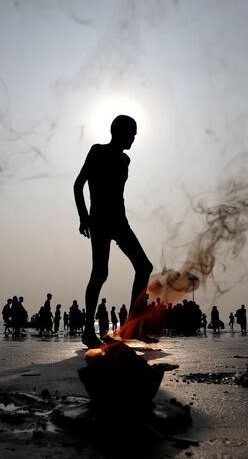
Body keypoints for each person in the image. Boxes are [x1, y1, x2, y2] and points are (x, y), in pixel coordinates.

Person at [74, 115, 153, 348]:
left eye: (137, 133)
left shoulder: (125, 160)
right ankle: (89, 330)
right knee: (100, 273)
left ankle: (131, 326)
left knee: (144, 267)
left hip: (120, 221)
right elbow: (79, 184)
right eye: (132, 133)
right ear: (119, 132)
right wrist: (83, 216)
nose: (135, 138)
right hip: (99, 220)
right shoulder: (97, 151)